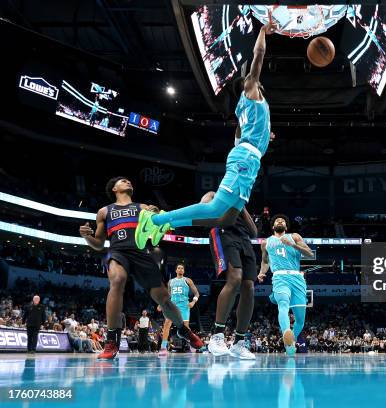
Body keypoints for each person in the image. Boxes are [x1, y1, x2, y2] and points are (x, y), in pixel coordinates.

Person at [133, 16, 278, 250]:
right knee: (214, 210)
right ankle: (156, 219)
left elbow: (239, 136)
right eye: (255, 80)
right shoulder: (251, 90)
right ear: (250, 84)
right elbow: (258, 56)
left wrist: (262, 136)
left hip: (248, 158)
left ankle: (163, 224)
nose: (259, 82)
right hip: (245, 158)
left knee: (225, 217)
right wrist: (262, 31)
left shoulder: (244, 108)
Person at [79, 176, 204, 360]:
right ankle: (112, 341)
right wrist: (87, 237)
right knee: (117, 280)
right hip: (117, 252)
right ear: (114, 189)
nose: (128, 181)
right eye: (122, 181)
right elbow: (98, 243)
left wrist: (156, 216)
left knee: (164, 300)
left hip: (141, 253)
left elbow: (157, 225)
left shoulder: (142, 207)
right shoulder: (104, 211)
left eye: (129, 180)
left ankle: (183, 330)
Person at [204, 191, 258, 360]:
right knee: (234, 279)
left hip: (244, 239)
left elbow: (254, 232)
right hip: (223, 232)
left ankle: (239, 342)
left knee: (249, 287)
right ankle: (217, 335)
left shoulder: (241, 200)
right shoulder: (214, 194)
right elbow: (204, 209)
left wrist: (241, 205)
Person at [258, 215, 313, 356]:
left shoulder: (294, 236)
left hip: (297, 278)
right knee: (283, 303)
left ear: (286, 227)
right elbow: (265, 261)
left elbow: (310, 254)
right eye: (277, 220)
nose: (280, 221)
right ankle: (286, 334)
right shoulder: (266, 242)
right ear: (273, 226)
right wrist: (262, 272)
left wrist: (293, 245)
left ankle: (291, 341)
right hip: (279, 277)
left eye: (283, 220)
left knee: (300, 319)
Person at [158, 263, 200, 357]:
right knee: (167, 324)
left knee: (186, 328)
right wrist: (161, 304)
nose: (180, 269)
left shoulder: (188, 280)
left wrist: (193, 302)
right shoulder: (170, 282)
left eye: (182, 268)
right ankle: (163, 347)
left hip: (184, 305)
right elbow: (168, 295)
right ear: (176, 270)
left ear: (183, 271)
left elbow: (197, 294)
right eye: (178, 268)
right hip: (173, 305)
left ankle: (191, 346)